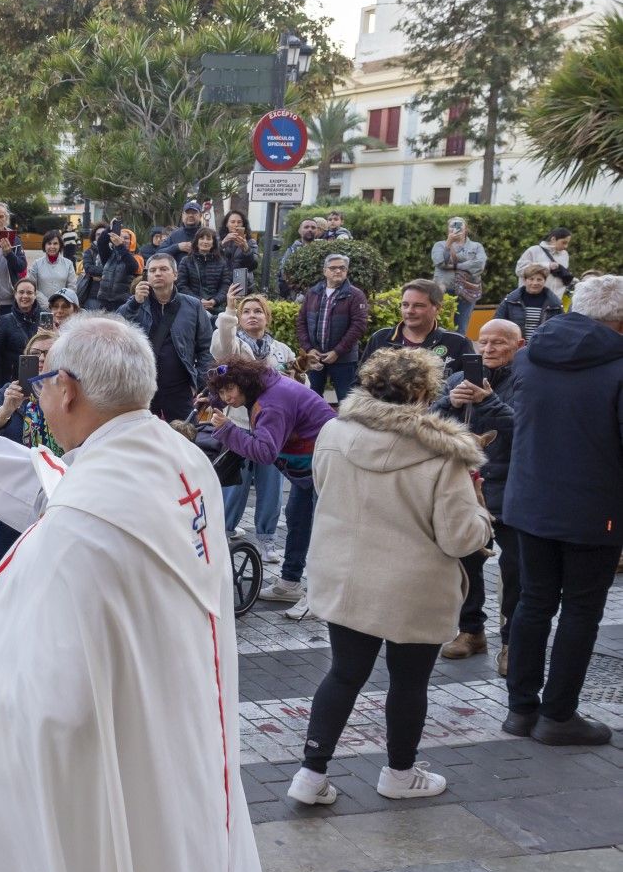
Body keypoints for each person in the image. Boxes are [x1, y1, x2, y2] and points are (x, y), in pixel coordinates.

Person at [0, 315, 268, 872]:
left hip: (115, 733)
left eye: (41, 383)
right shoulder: (180, 459)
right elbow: (64, 485)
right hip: (179, 716)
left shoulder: (81, 526)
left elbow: (46, 694)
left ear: (69, 390)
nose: (38, 394)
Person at [285, 349, 493, 807]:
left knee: (343, 673)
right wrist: (481, 511)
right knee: (408, 681)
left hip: (345, 576)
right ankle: (400, 772)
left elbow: (323, 487)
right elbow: (461, 539)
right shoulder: (445, 453)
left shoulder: (334, 431)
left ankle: (310, 773)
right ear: (422, 393)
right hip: (413, 586)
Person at [500, 275, 623, 747]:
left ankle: (520, 710)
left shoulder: (530, 356)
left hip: (530, 500)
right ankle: (559, 715)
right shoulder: (617, 366)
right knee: (580, 609)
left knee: (533, 601)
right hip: (595, 508)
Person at [205, 356, 336, 610]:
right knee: (297, 518)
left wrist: (228, 430)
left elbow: (265, 452)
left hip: (329, 462)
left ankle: (321, 598)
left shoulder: (272, 403)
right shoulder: (263, 385)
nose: (227, 397)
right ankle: (290, 583)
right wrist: (212, 400)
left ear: (243, 382)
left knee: (324, 529)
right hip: (312, 464)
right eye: (221, 391)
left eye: (229, 389)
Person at [431, 319, 523, 672]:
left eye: (499, 343)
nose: (488, 349)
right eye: (483, 342)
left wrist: (490, 401)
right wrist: (448, 402)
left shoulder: (526, 381)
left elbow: (525, 428)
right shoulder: (458, 379)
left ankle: (512, 642)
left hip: (512, 487)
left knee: (514, 570)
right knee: (466, 563)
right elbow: (429, 425)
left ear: (518, 345)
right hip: (466, 489)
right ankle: (471, 631)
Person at [0, 329, 60, 586]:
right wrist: (5, 410)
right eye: (35, 354)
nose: (42, 358)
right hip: (12, 494)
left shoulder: (69, 396)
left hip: (53, 495)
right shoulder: (11, 391)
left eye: (49, 353)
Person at [213, 292, 295, 555]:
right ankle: (224, 533)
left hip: (272, 429)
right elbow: (221, 347)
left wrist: (299, 375)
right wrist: (228, 310)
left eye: (257, 311)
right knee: (235, 485)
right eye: (246, 311)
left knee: (271, 487)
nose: (252, 315)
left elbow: (294, 387)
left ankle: (267, 538)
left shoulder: (282, 350)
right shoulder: (235, 347)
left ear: (266, 317)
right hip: (238, 426)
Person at [117, 253, 214, 421]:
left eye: (163, 269)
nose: (157, 273)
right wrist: (134, 303)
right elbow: (116, 328)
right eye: (152, 270)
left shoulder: (193, 305)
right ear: (146, 276)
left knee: (185, 437)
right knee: (144, 439)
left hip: (180, 386)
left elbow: (206, 348)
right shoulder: (136, 303)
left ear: (175, 275)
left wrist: (198, 383)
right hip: (142, 385)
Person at [295, 254, 371, 400]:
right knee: (310, 399)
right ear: (325, 271)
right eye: (333, 268)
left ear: (347, 271)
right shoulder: (313, 293)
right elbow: (301, 322)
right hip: (314, 358)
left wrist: (337, 352)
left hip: (344, 359)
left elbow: (359, 326)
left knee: (347, 402)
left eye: (342, 268)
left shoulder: (355, 295)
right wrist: (309, 349)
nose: (338, 271)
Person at [363, 279, 473, 379]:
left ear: (437, 309)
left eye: (418, 305)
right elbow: (359, 383)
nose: (409, 311)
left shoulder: (458, 343)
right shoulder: (380, 338)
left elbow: (472, 386)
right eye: (405, 305)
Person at [432, 216, 487, 335]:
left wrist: (454, 266)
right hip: (443, 290)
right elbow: (440, 262)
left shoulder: (476, 246)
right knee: (438, 325)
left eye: (459, 225)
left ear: (466, 228)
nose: (455, 228)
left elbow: (479, 265)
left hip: (467, 291)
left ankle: (457, 352)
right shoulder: (440, 245)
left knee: (461, 327)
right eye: (452, 225)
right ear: (448, 229)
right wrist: (448, 244)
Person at [75, 225, 141, 314]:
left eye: (126, 238)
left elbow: (133, 267)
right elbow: (101, 242)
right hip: (104, 302)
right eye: (120, 237)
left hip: (122, 303)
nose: (122, 240)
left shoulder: (135, 257)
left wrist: (120, 246)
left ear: (131, 241)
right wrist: (111, 228)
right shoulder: (109, 256)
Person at [0, 277, 42, 389]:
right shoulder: (4, 321)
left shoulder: (44, 319)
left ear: (35, 295)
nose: (25, 296)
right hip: (12, 382)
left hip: (40, 379)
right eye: (21, 292)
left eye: (29, 293)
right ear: (15, 294)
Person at [494, 262, 564, 339]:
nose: (535, 283)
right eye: (531, 279)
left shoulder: (555, 304)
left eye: (539, 279)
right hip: (516, 346)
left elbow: (561, 328)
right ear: (524, 280)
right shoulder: (510, 301)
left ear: (545, 281)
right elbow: (497, 323)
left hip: (543, 347)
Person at [175, 226, 232, 313]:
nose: (205, 242)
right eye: (202, 238)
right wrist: (199, 300)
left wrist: (215, 300)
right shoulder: (186, 261)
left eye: (208, 239)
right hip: (192, 307)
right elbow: (181, 286)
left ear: (213, 243)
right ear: (196, 242)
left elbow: (225, 286)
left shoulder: (221, 263)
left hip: (216, 309)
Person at [514, 227, 574, 302]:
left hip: (555, 302)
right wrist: (546, 265)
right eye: (564, 242)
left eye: (567, 243)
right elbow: (519, 270)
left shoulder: (565, 255)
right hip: (531, 299)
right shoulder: (534, 250)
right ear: (553, 239)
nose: (566, 246)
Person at [276, 218, 321, 299]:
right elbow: (283, 271)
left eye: (313, 227)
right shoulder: (292, 250)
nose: (310, 229)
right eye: (306, 227)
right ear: (299, 230)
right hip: (295, 295)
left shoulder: (322, 249)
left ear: (317, 231)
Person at [27, 230, 74, 301]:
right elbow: (31, 287)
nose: (52, 246)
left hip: (62, 306)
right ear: (44, 245)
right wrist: (46, 303)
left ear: (60, 245)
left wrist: (60, 303)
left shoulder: (68, 264)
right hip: (41, 306)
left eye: (55, 243)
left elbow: (72, 287)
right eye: (49, 243)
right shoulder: (36, 264)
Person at [219, 210, 259, 293]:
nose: (236, 225)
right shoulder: (219, 241)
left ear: (243, 224)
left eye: (239, 222)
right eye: (232, 222)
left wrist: (246, 249)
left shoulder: (250, 242)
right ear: (226, 224)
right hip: (221, 284)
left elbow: (254, 265)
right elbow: (210, 258)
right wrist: (222, 244)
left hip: (242, 284)